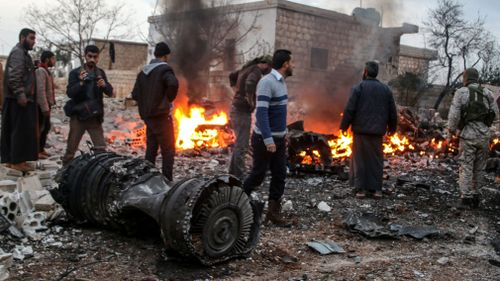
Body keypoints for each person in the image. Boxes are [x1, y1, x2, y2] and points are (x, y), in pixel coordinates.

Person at [243, 49, 294, 227]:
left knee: (280, 175)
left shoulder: (281, 82)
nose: (293, 65)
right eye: (291, 62)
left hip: (278, 139)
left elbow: (278, 113)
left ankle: (273, 214)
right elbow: (262, 114)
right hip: (265, 140)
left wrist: (284, 133)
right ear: (285, 64)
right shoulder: (266, 82)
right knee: (258, 175)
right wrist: (268, 139)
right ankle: (237, 202)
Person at [340, 61, 397, 199]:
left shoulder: (359, 87)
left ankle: (361, 190)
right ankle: (376, 190)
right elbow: (392, 112)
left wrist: (344, 126)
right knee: (376, 161)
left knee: (360, 160)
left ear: (365, 72)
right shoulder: (386, 90)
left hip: (360, 131)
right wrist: (392, 128)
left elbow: (350, 109)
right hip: (377, 133)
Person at [448, 68, 499, 208]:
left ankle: (466, 198)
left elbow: (454, 115)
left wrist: (451, 132)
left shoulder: (461, 92)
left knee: (466, 166)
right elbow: (496, 115)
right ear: (477, 78)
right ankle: (476, 197)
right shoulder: (487, 93)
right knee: (480, 167)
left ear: (465, 78)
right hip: (484, 137)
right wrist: (492, 132)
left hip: (468, 136)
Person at [132, 42, 179, 181]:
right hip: (161, 117)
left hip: (148, 117)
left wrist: (146, 103)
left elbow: (135, 94)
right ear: (165, 56)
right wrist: (167, 100)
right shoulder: (165, 70)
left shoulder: (143, 72)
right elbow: (173, 84)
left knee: (151, 148)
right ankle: (166, 181)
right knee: (168, 150)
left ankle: (147, 178)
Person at [62, 45, 113, 165]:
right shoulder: (75, 73)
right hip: (78, 117)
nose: (92, 59)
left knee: (101, 149)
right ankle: (64, 175)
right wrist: (80, 83)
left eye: (95, 57)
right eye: (90, 56)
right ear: (85, 56)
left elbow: (110, 92)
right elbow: (70, 93)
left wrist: (104, 85)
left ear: (98, 58)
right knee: (71, 150)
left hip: (94, 118)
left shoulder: (100, 73)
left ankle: (98, 173)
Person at [0, 28, 38, 172]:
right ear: (22, 38)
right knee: (20, 131)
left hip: (17, 99)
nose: (34, 41)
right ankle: (17, 162)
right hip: (18, 100)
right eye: (31, 38)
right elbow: (14, 76)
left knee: (15, 130)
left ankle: (12, 160)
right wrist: (21, 95)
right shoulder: (18, 53)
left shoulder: (23, 53)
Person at [229, 55, 272, 179]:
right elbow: (250, 83)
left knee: (239, 144)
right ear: (264, 64)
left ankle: (233, 173)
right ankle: (240, 176)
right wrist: (250, 100)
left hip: (237, 110)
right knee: (242, 145)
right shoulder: (256, 71)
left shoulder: (247, 68)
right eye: (268, 67)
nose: (268, 71)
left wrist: (236, 91)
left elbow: (232, 75)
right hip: (241, 112)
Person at [35, 50, 56, 159]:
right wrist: (44, 107)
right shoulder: (41, 71)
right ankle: (36, 151)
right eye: (53, 59)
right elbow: (40, 90)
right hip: (41, 106)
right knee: (39, 128)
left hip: (47, 105)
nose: (55, 61)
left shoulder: (47, 71)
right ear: (47, 59)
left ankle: (41, 149)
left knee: (46, 127)